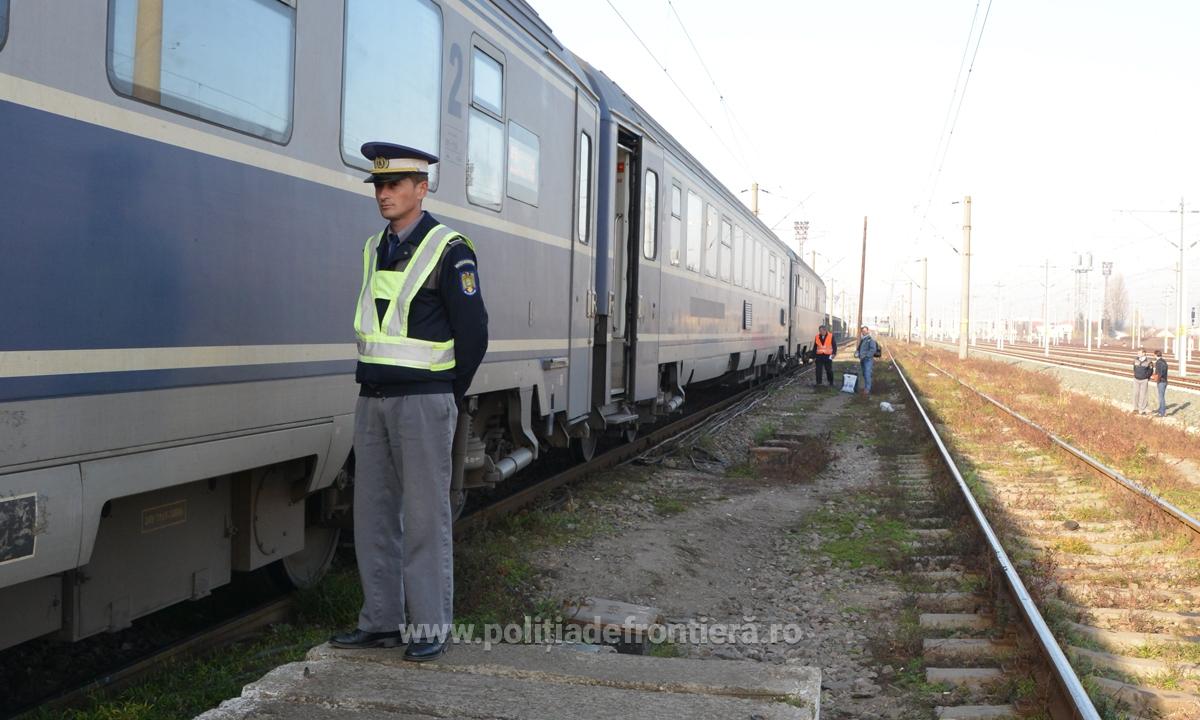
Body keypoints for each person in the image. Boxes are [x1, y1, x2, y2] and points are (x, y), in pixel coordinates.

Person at [331, 143, 488, 662]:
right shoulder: (374, 247)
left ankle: (430, 627)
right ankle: (381, 623)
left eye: (394, 185)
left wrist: (445, 393)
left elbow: (474, 334)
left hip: (422, 402)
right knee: (373, 517)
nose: (384, 194)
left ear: (421, 189)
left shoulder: (449, 249)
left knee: (424, 519)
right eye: (379, 185)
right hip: (373, 398)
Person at [854, 325, 879, 396]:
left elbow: (873, 349)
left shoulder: (870, 339)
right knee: (864, 374)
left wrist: (866, 356)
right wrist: (857, 353)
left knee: (867, 374)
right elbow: (860, 349)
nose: (863, 332)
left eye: (865, 331)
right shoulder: (863, 339)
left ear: (868, 331)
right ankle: (866, 387)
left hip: (868, 360)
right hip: (862, 359)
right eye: (862, 331)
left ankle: (868, 389)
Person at [1131, 347, 1152, 415]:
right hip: (1136, 379)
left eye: (1139, 353)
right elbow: (1134, 368)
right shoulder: (1135, 360)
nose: (1138, 354)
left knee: (1143, 395)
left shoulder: (1149, 361)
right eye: (1138, 353)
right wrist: (1136, 375)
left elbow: (1150, 371)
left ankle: (1142, 409)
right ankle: (1135, 409)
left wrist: (1146, 376)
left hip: (1144, 380)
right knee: (1135, 394)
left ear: (1144, 353)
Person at [1153, 349, 1169, 417]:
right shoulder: (1164, 361)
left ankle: (1162, 413)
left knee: (1161, 397)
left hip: (1161, 381)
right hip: (1164, 381)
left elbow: (1160, 372)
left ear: (1155, 355)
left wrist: (1157, 378)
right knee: (1161, 396)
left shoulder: (1158, 362)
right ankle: (1160, 410)